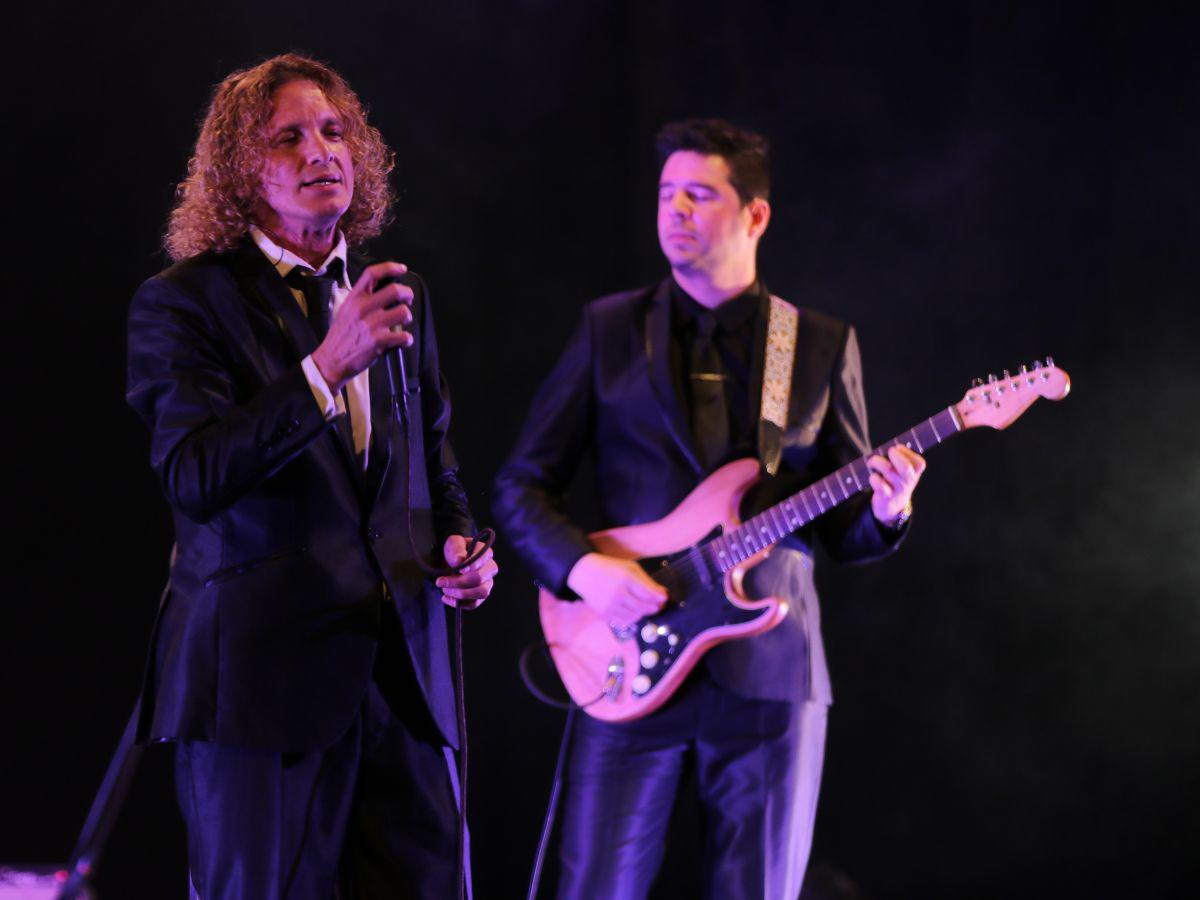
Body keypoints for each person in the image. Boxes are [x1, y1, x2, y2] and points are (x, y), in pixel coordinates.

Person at [493, 119, 925, 899]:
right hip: (623, 656)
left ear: (756, 215)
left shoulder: (819, 343)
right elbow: (520, 487)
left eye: (699, 194)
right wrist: (586, 571)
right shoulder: (609, 329)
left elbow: (844, 529)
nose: (676, 211)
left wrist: (887, 511)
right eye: (667, 195)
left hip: (771, 673)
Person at [126, 53, 497, 899]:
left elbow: (433, 462)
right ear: (240, 170)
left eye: (333, 131)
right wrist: (324, 370)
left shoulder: (395, 292)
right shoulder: (184, 302)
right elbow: (193, 474)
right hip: (261, 698)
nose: (321, 150)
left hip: (402, 685)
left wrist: (460, 544)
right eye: (287, 138)